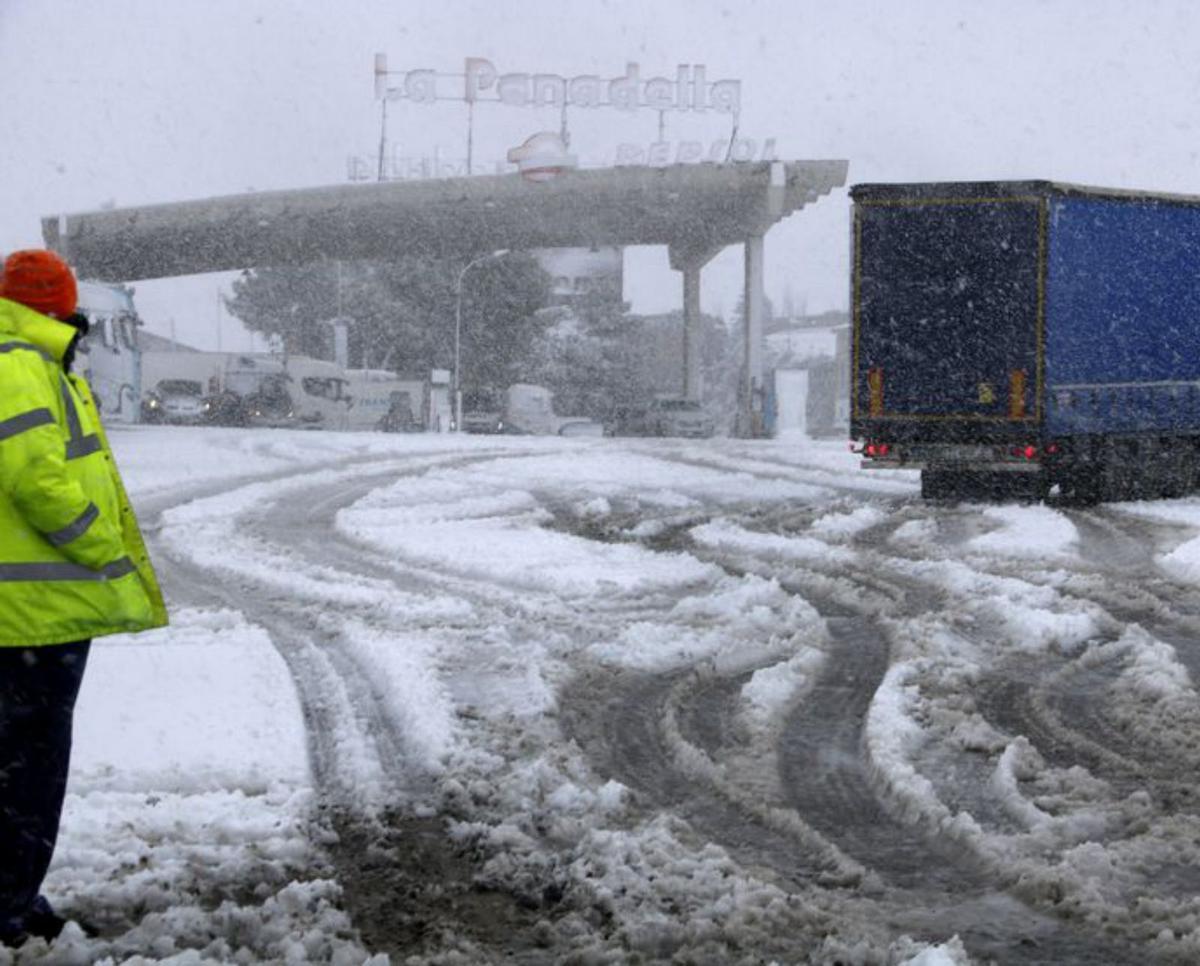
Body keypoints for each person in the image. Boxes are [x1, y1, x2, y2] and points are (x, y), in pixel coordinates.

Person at [0, 249, 168, 946]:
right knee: (26, 767)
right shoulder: (19, 364)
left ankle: (14, 893)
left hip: (38, 613)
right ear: (54, 306)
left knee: (27, 763)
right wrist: (101, 546)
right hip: (32, 616)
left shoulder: (32, 362)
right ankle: (8, 903)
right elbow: (34, 477)